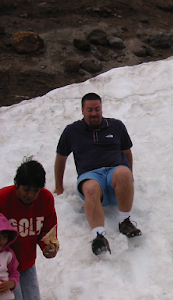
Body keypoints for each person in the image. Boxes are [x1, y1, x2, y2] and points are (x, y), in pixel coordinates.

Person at [54, 92, 141, 256]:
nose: (94, 113)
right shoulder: (72, 131)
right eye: (89, 110)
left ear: (101, 109)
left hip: (115, 172)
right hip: (90, 175)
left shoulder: (116, 126)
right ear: (82, 110)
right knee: (91, 189)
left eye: (97, 109)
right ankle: (99, 236)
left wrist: (130, 177)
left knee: (124, 172)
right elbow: (61, 158)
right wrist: (59, 186)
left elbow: (127, 152)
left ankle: (125, 221)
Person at [0, 158, 58, 300]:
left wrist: (48, 246)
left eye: (35, 191)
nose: (30, 195)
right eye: (26, 190)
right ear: (16, 185)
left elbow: (47, 231)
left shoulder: (46, 199)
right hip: (4, 265)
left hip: (26, 263)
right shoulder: (2, 199)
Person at [0, 213, 19, 300]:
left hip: (6, 297)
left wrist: (11, 284)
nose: (2, 241)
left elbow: (14, 273)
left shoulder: (8, 254)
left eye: (5, 237)